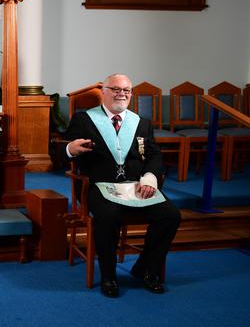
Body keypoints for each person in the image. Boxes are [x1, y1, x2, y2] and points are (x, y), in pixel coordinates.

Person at [64, 74, 181, 298]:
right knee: (108, 216)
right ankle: (108, 275)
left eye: (127, 90)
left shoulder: (141, 123)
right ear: (104, 92)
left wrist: (149, 177)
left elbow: (155, 155)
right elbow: (60, 148)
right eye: (116, 89)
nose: (122, 94)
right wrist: (71, 148)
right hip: (98, 186)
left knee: (170, 215)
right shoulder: (84, 119)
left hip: (137, 187)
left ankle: (146, 268)